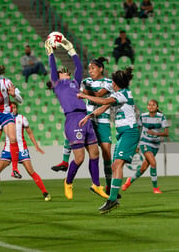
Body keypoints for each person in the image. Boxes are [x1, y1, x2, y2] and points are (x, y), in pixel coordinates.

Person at [44, 35, 108, 200]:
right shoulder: (57, 84)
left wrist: (70, 48)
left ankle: (96, 184)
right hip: (72, 119)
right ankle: (68, 181)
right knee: (79, 158)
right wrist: (50, 52)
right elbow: (53, 68)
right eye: (61, 71)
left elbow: (78, 67)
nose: (64, 71)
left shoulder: (74, 82)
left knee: (95, 153)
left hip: (85, 117)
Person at [78, 66, 139, 214]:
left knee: (117, 164)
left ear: (116, 83)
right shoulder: (118, 93)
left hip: (129, 132)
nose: (111, 83)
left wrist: (85, 96)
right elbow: (103, 106)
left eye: (112, 81)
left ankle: (112, 199)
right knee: (114, 166)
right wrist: (89, 116)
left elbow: (102, 101)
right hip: (123, 133)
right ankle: (113, 198)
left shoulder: (123, 94)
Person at [0, 102, 50, 202]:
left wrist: (36, 146)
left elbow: (30, 133)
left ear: (17, 109)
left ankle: (45, 192)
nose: (13, 109)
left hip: (21, 149)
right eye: (11, 107)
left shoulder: (22, 118)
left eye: (15, 107)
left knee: (31, 172)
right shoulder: (3, 119)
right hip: (8, 150)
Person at [122, 99, 169, 193]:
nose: (151, 106)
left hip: (155, 145)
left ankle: (129, 181)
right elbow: (138, 131)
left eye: (153, 105)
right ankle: (155, 188)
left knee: (143, 168)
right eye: (149, 105)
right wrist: (136, 145)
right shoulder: (143, 116)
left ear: (157, 107)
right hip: (145, 142)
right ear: (147, 107)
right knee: (153, 163)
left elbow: (166, 133)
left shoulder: (161, 117)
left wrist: (155, 134)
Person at [82, 57, 114, 193]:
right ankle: (95, 183)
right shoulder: (85, 81)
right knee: (93, 154)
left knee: (107, 154)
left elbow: (99, 95)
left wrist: (85, 93)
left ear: (101, 69)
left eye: (93, 68)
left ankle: (109, 185)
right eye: (89, 69)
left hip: (103, 121)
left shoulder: (108, 82)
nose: (90, 71)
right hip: (89, 121)